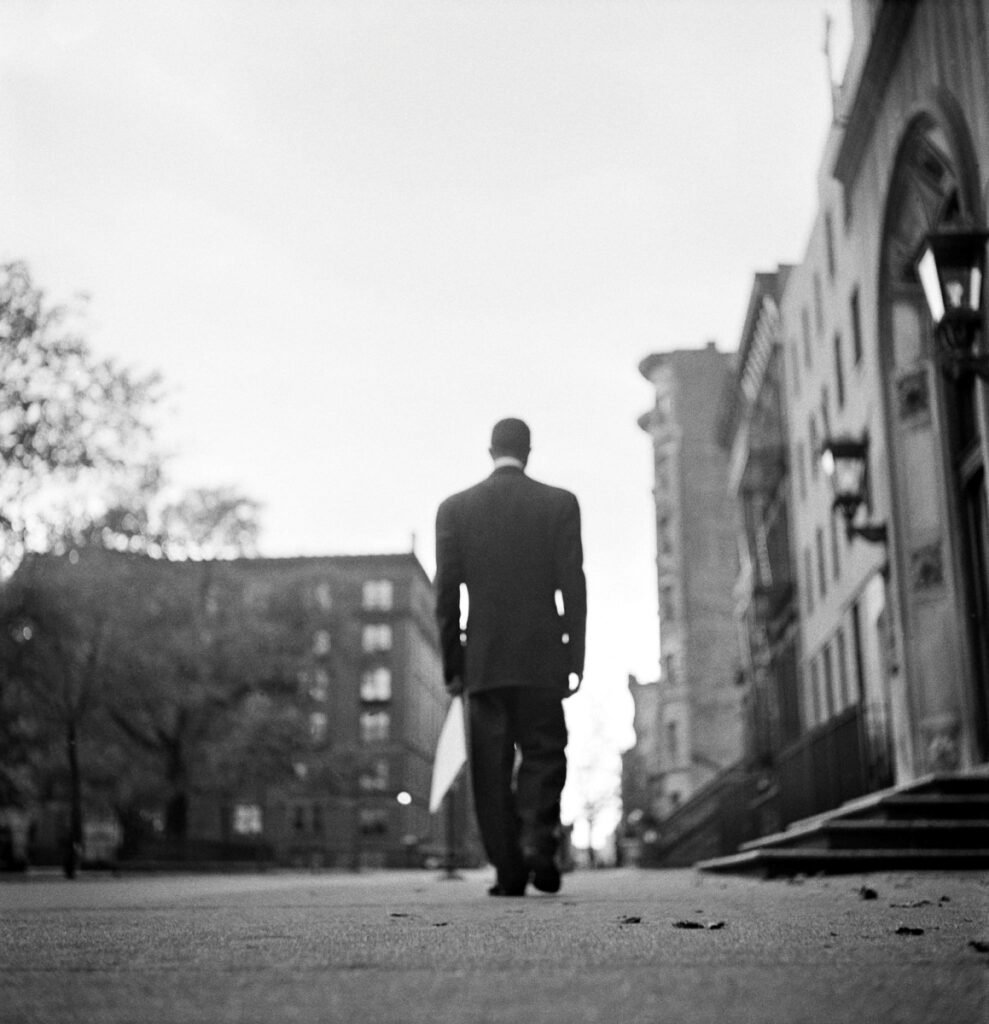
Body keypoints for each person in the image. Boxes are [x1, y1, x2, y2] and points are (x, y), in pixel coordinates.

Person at [434, 417, 586, 896]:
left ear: (490, 450)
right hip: (542, 656)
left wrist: (453, 664)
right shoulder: (560, 503)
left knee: (490, 769)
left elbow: (447, 595)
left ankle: (509, 871)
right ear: (529, 451)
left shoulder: (454, 509)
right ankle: (538, 843)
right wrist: (574, 656)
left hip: (483, 660)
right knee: (544, 753)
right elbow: (573, 585)